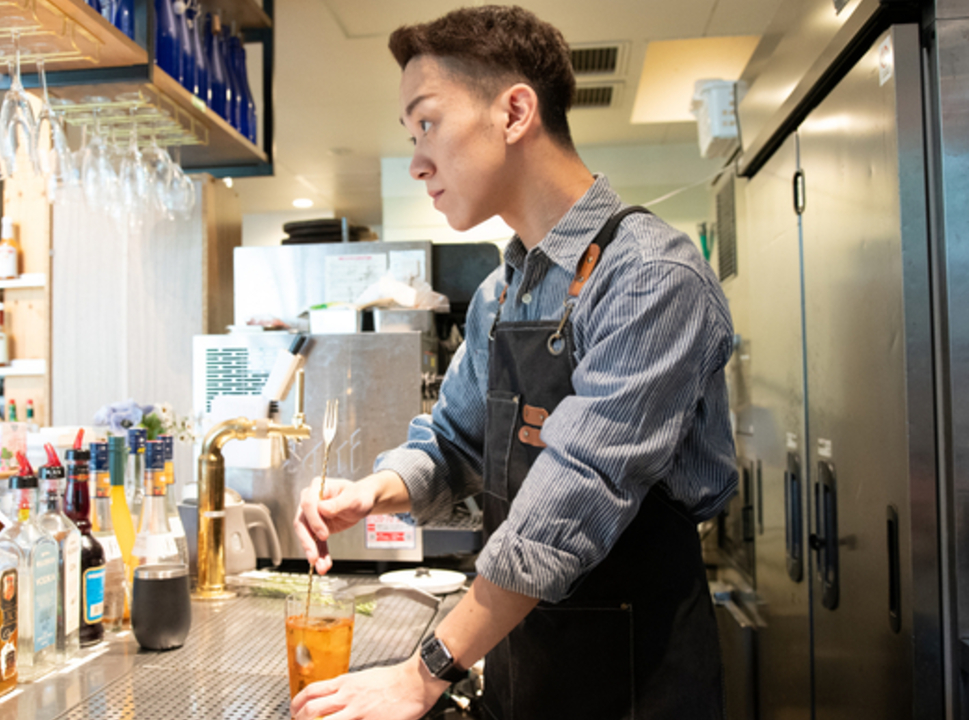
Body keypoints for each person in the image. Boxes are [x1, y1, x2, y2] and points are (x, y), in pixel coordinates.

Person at [291, 6, 736, 720]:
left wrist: (423, 672)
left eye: (427, 122)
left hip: (635, 676)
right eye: (411, 136)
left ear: (515, 112)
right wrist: (372, 491)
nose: (416, 161)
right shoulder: (503, 292)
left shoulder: (650, 277)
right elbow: (456, 441)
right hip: (522, 658)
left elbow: (574, 494)